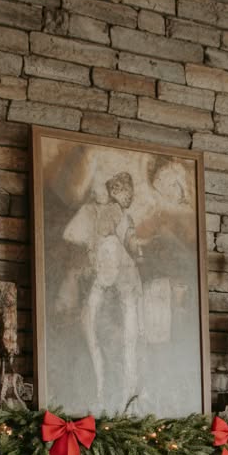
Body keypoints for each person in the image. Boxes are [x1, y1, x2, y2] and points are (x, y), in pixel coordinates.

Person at [61, 171, 144, 403]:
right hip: (105, 286)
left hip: (119, 287)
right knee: (103, 339)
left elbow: (130, 247)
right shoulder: (98, 220)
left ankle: (126, 395)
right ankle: (106, 394)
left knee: (127, 342)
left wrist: (134, 249)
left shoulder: (121, 222)